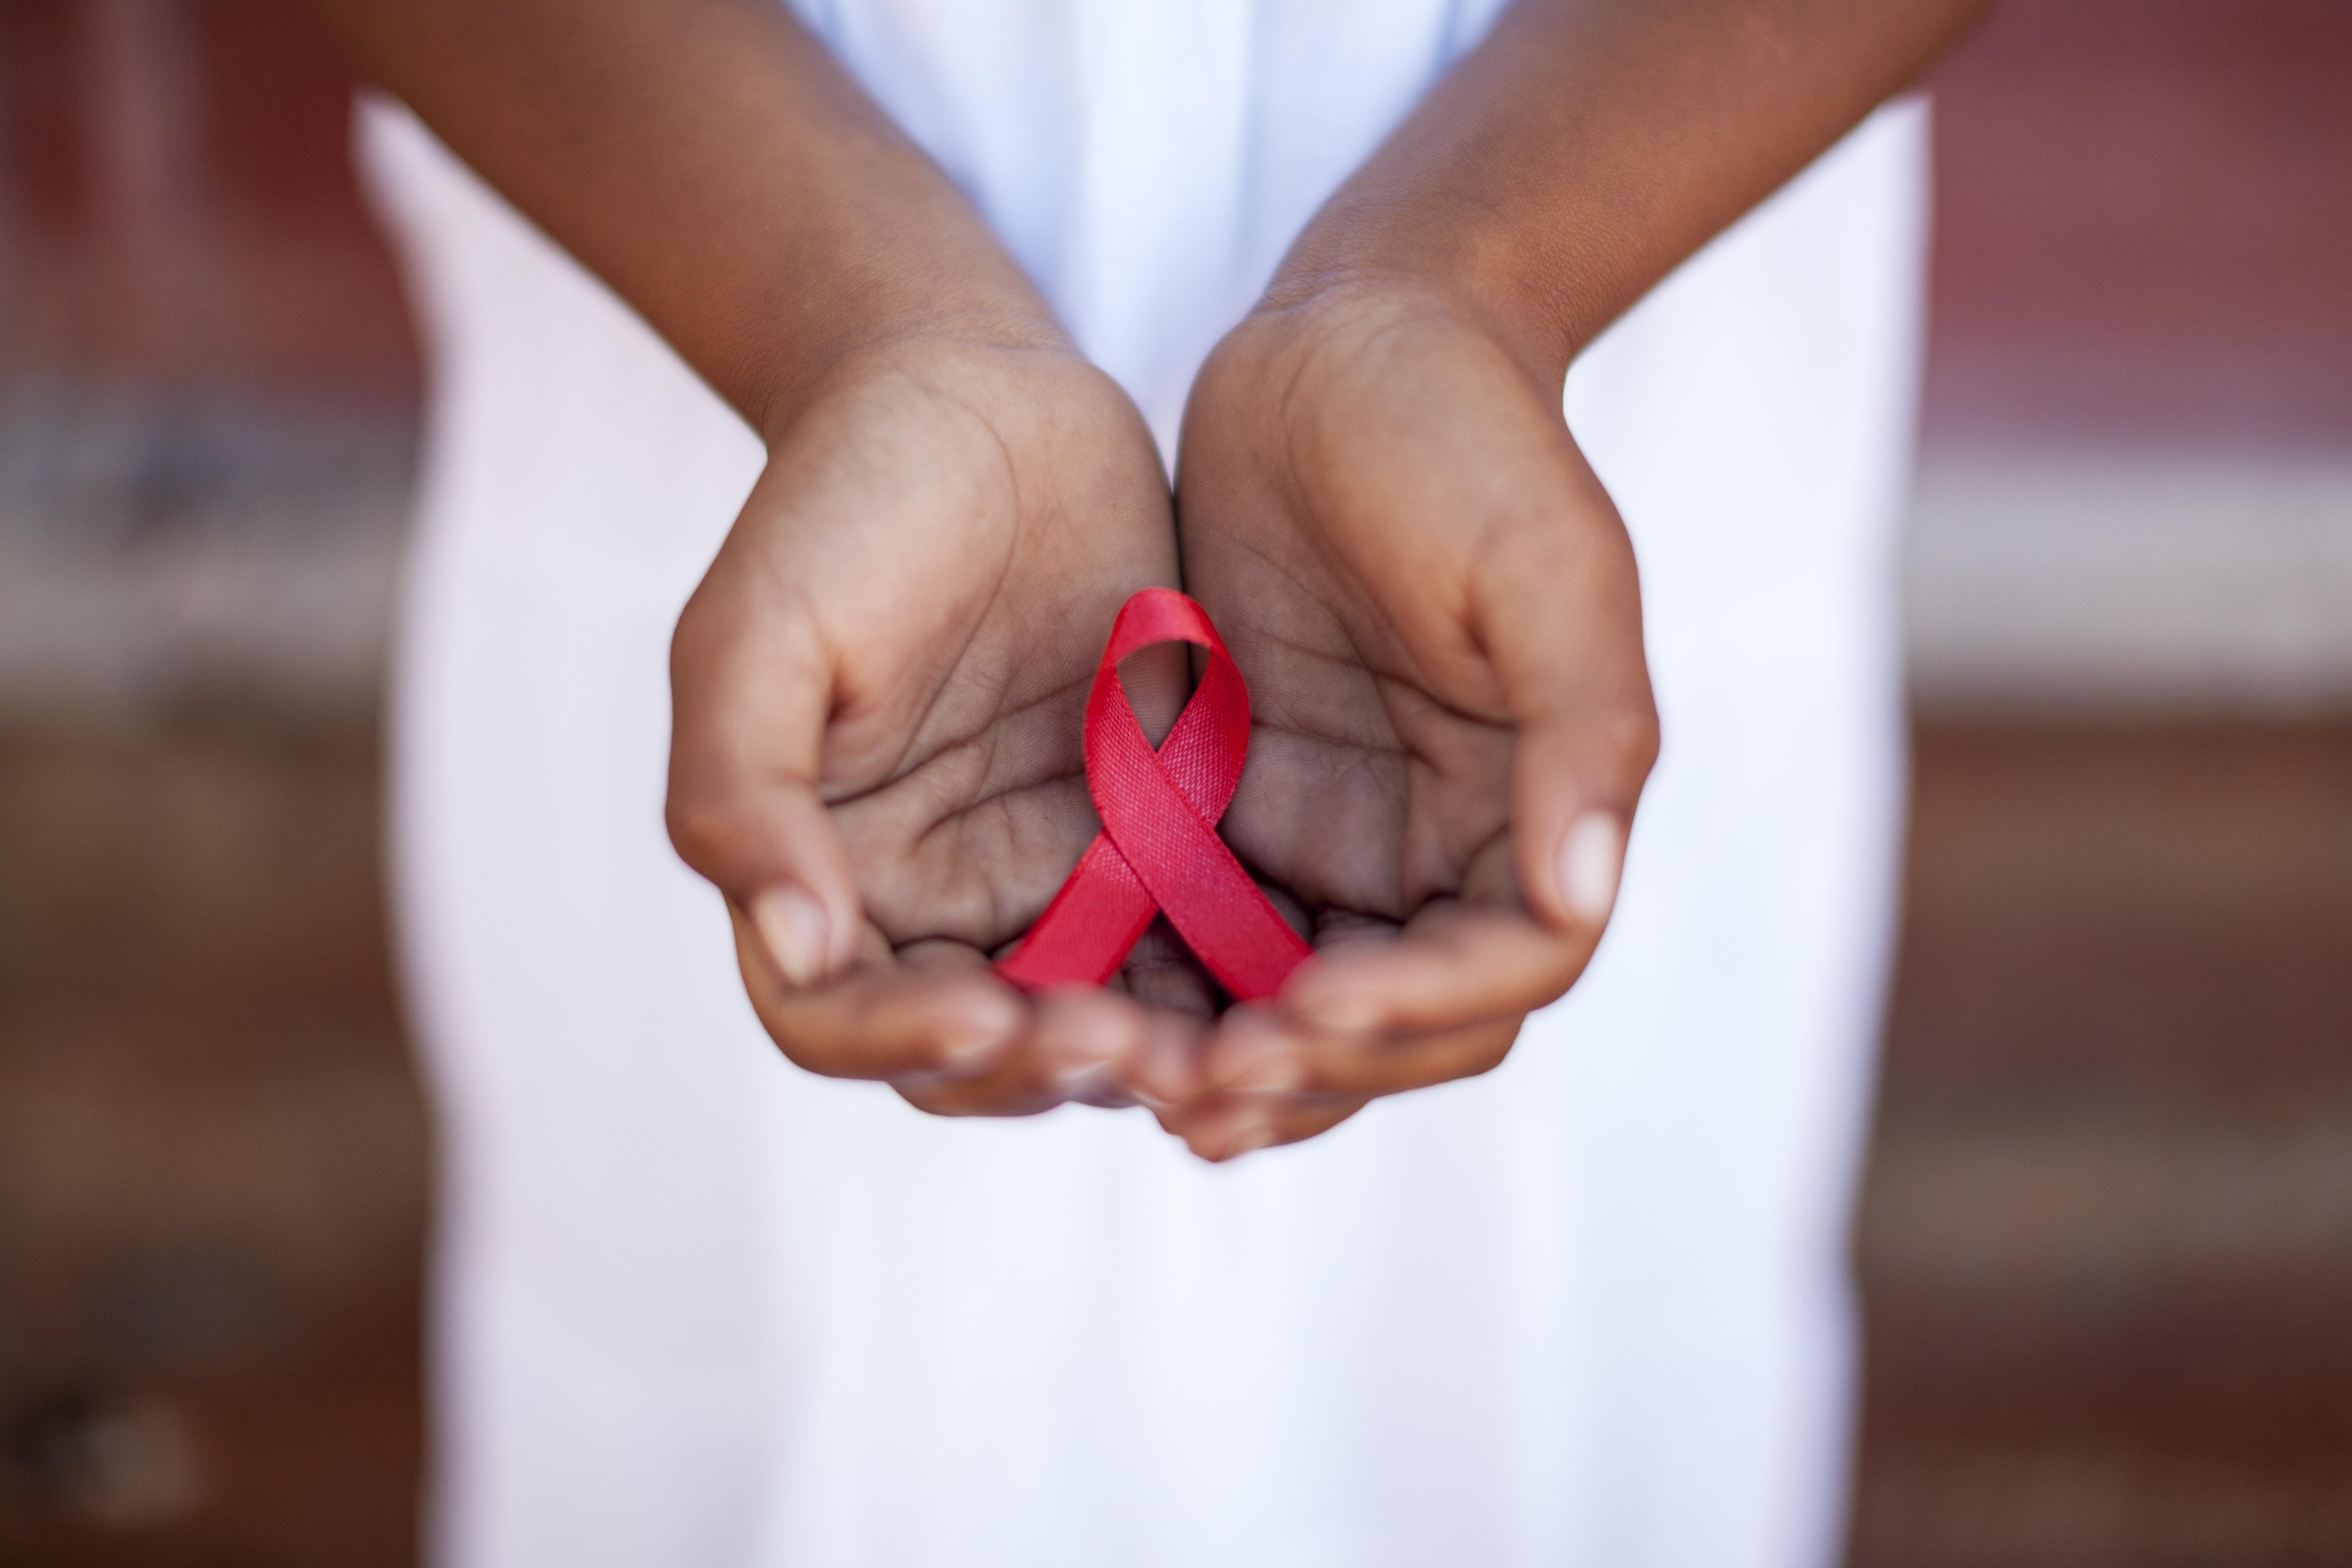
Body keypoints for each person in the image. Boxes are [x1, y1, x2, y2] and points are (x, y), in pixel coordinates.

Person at [320, 0, 1988, 1560]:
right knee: (737, 1377)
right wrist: (841, 323)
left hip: (1583, 387)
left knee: (1548, 1377)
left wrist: (1471, 282)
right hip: (715, 315)